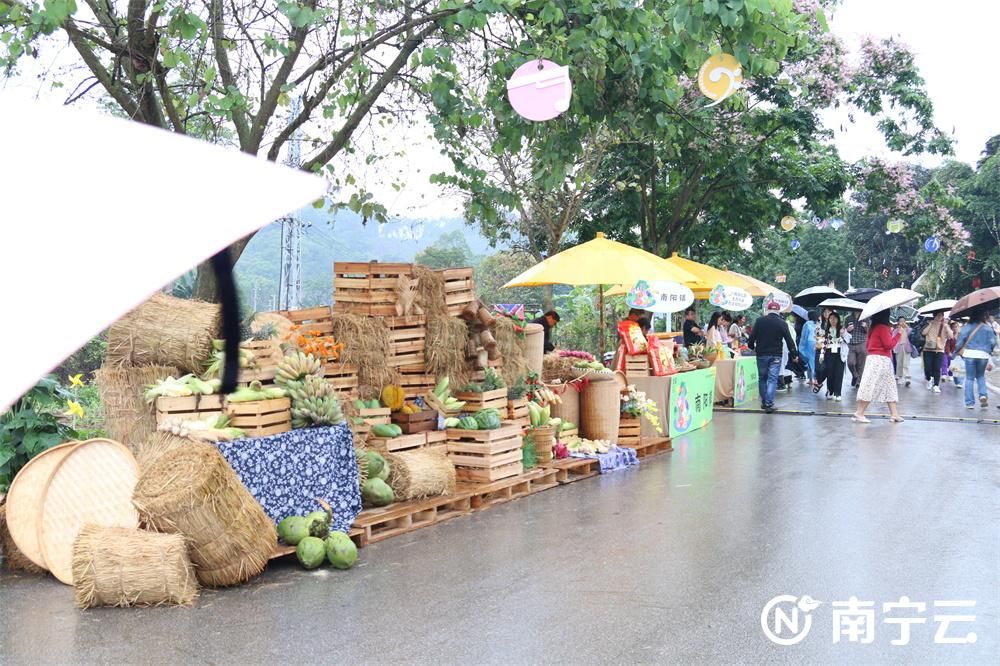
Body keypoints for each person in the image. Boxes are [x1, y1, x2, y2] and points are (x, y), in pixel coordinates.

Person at [747, 300, 799, 413]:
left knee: (762, 378)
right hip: (776, 355)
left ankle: (765, 402)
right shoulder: (782, 323)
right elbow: (790, 341)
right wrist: (794, 354)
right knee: (772, 379)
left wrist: (751, 347)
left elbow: (752, 338)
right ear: (778, 311)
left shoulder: (760, 321)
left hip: (761, 354)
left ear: (768, 310)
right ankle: (769, 404)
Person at [853, 309, 903, 423]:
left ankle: (894, 414)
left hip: (874, 359)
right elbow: (888, 345)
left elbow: (868, 344)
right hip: (881, 360)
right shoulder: (882, 327)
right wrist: (898, 334)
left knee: (889, 386)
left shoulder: (873, 327)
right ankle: (859, 413)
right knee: (871, 385)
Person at [954, 310, 999, 409]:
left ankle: (969, 403)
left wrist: (956, 352)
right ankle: (983, 395)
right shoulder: (988, 328)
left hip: (969, 354)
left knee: (969, 378)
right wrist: (989, 351)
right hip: (983, 355)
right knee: (980, 376)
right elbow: (993, 342)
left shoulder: (967, 327)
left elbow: (960, 341)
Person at [921, 312, 952, 393]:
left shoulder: (944, 325)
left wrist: (946, 326)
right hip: (928, 349)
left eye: (941, 315)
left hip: (939, 350)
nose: (940, 317)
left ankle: (936, 385)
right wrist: (930, 325)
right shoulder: (929, 323)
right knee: (927, 368)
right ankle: (929, 378)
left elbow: (951, 336)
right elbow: (923, 333)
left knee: (937, 368)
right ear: (934, 316)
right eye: (938, 315)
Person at [820, 312, 847, 401]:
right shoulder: (826, 330)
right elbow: (823, 343)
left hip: (840, 353)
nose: (833, 320)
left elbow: (847, 341)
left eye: (835, 318)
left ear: (838, 319)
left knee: (839, 373)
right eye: (831, 318)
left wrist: (843, 335)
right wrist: (822, 354)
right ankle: (830, 391)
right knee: (830, 373)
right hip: (829, 352)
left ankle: (838, 393)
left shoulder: (842, 330)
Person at [846, 313, 868, 388]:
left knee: (861, 365)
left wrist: (865, 327)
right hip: (851, 343)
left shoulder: (866, 318)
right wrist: (847, 330)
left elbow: (869, 331)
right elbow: (844, 331)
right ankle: (855, 376)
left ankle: (858, 382)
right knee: (850, 363)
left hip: (862, 343)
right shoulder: (848, 318)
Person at [893, 316, 913, 387]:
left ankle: (907, 378)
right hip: (899, 347)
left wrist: (906, 327)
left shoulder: (908, 329)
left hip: (906, 347)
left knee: (906, 363)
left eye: (903, 321)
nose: (902, 322)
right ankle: (900, 377)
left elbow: (911, 332)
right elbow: (893, 338)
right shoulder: (896, 330)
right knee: (899, 363)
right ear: (898, 322)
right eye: (900, 321)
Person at [943, 321, 963, 387]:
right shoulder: (950, 336)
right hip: (952, 354)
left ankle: (960, 383)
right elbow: (947, 345)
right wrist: (949, 352)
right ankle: (956, 380)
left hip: (961, 354)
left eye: (956, 327)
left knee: (961, 369)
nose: (955, 328)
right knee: (953, 367)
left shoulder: (962, 335)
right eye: (953, 327)